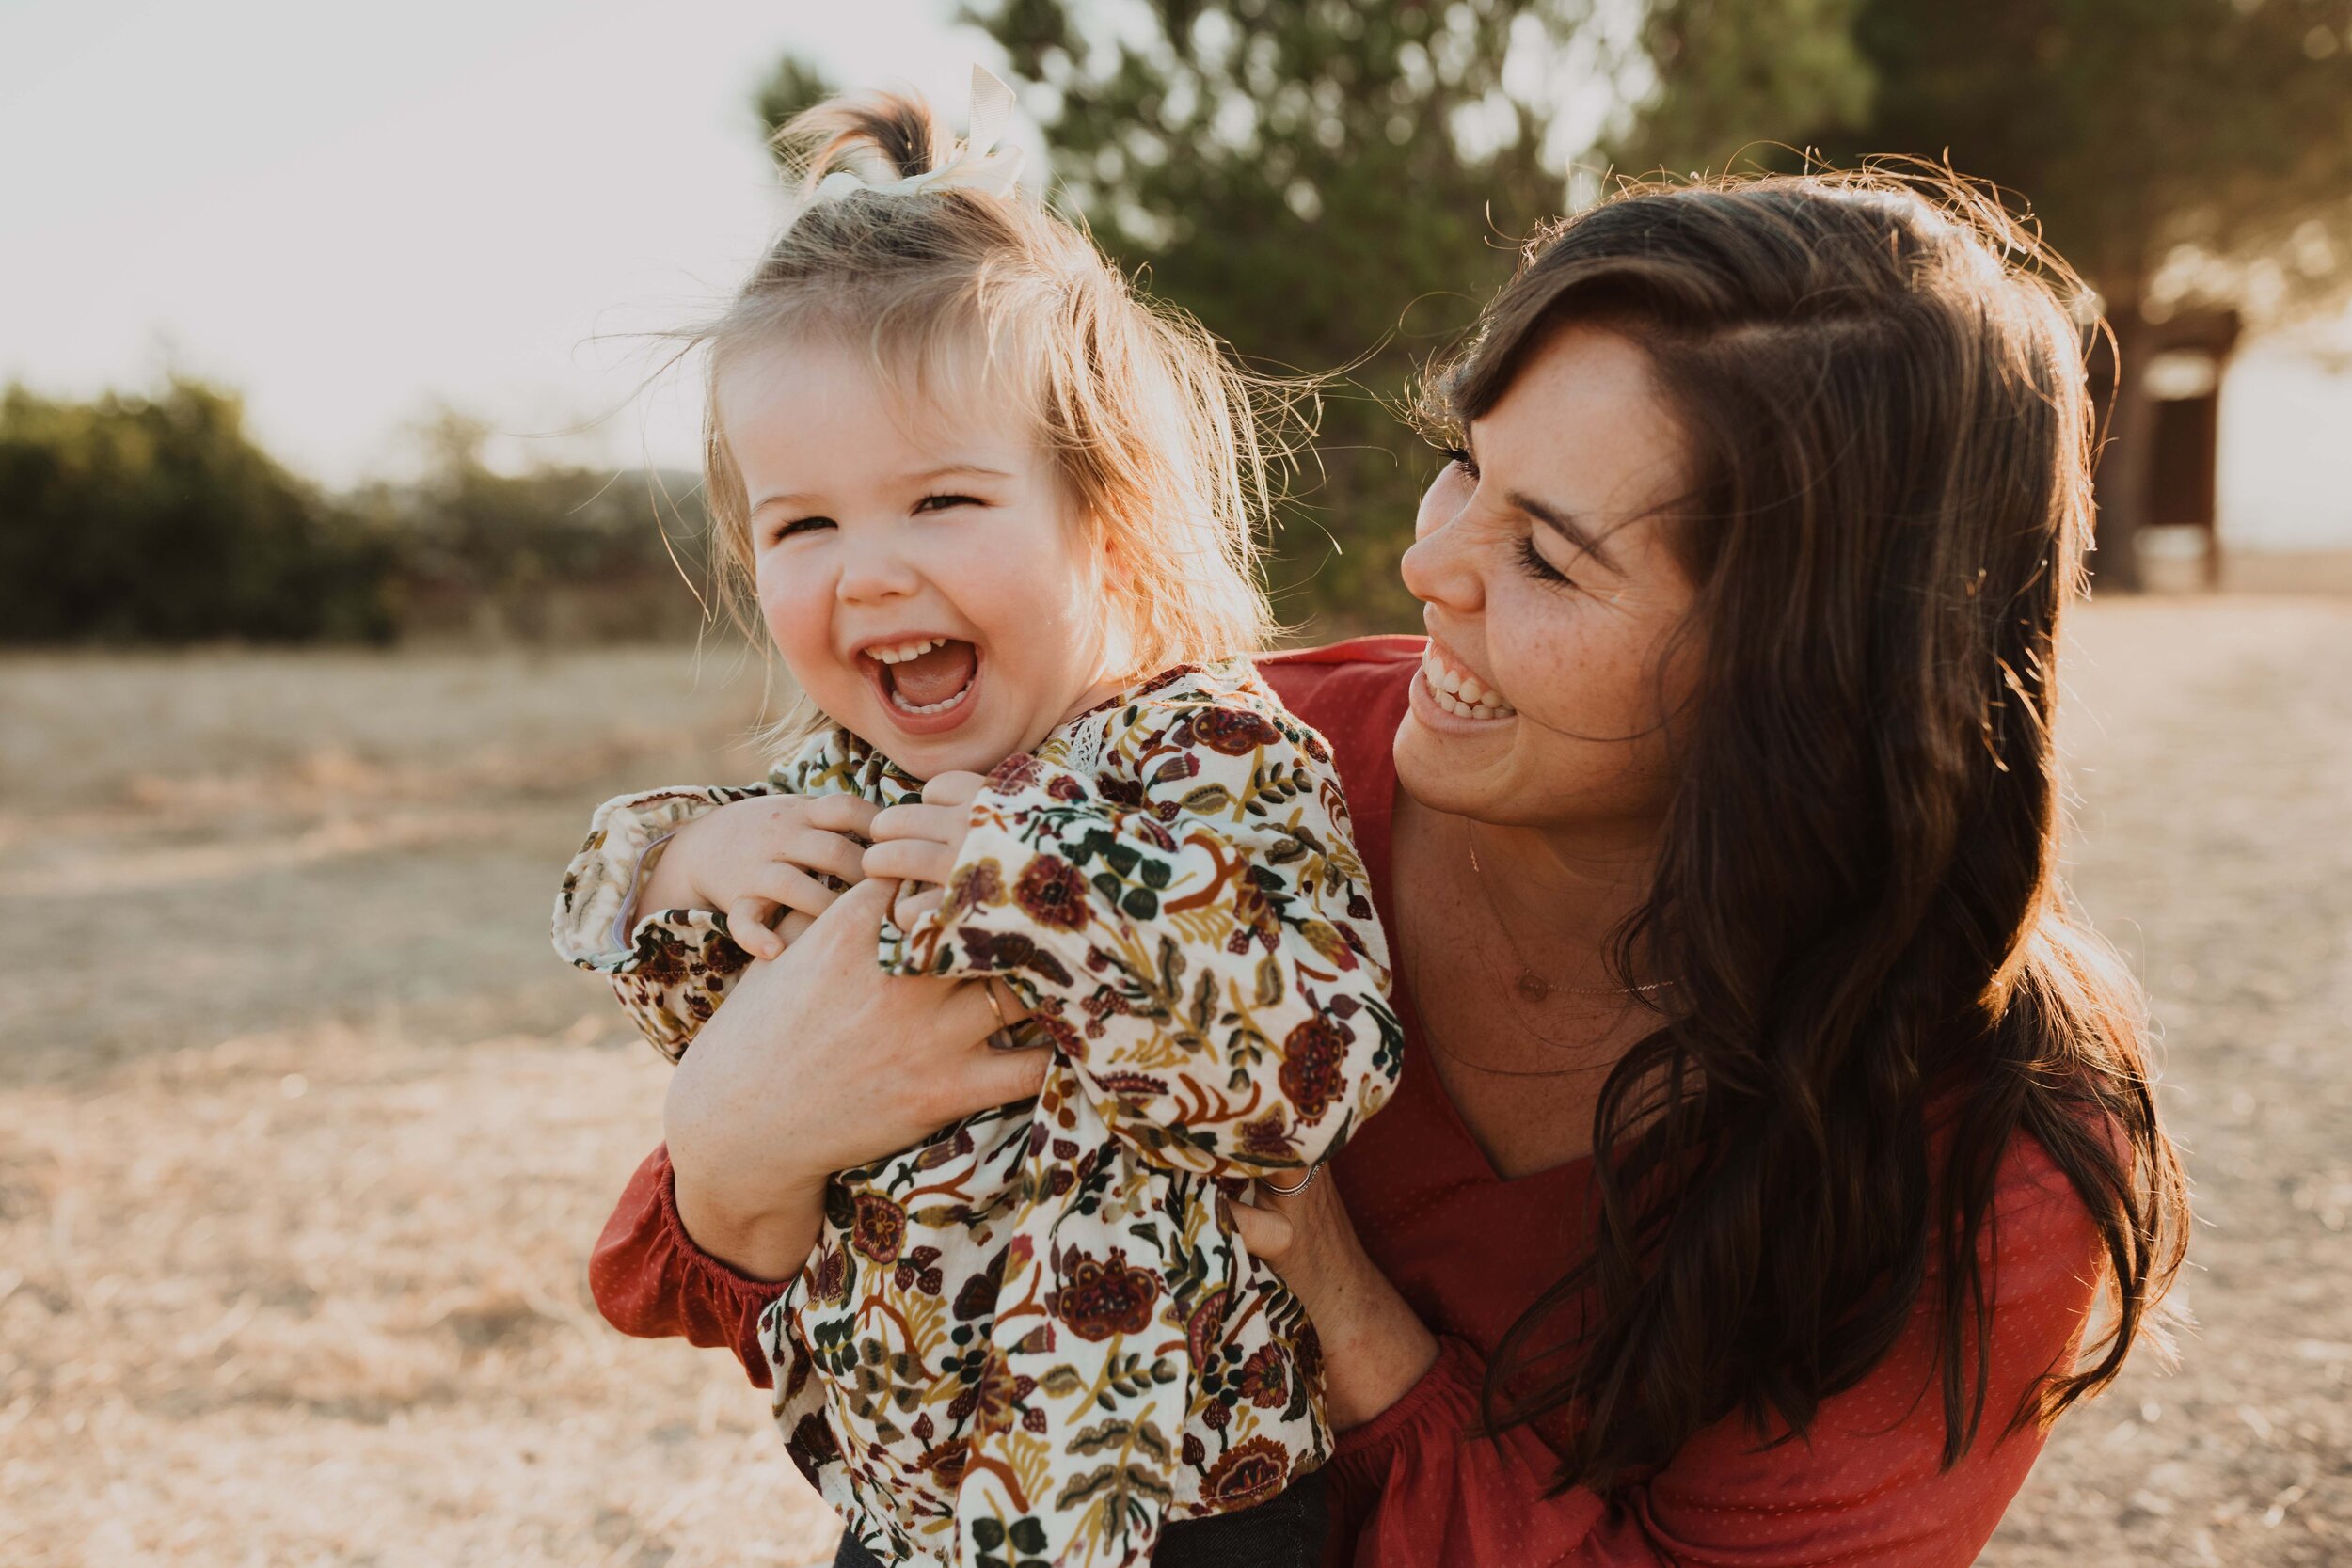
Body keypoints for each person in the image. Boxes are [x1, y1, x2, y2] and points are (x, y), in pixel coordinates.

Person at [587, 167, 2186, 1566]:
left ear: (1807, 668)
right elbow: (714, 1258)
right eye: (1462, 466)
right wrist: (734, 1133)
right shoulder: (1246, 780)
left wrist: (1356, 1320)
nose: (1428, 565)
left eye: (1547, 553)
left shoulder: (1993, 1155)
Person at [552, 69, 1397, 1568]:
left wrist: (1044, 889)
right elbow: (700, 1014)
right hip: (912, 1507)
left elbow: (1313, 1069)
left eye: (939, 503)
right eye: (803, 524)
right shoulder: (848, 790)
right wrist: (688, 859)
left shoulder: (1213, 757)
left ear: (1108, 517)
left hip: (1184, 1507)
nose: (868, 571)